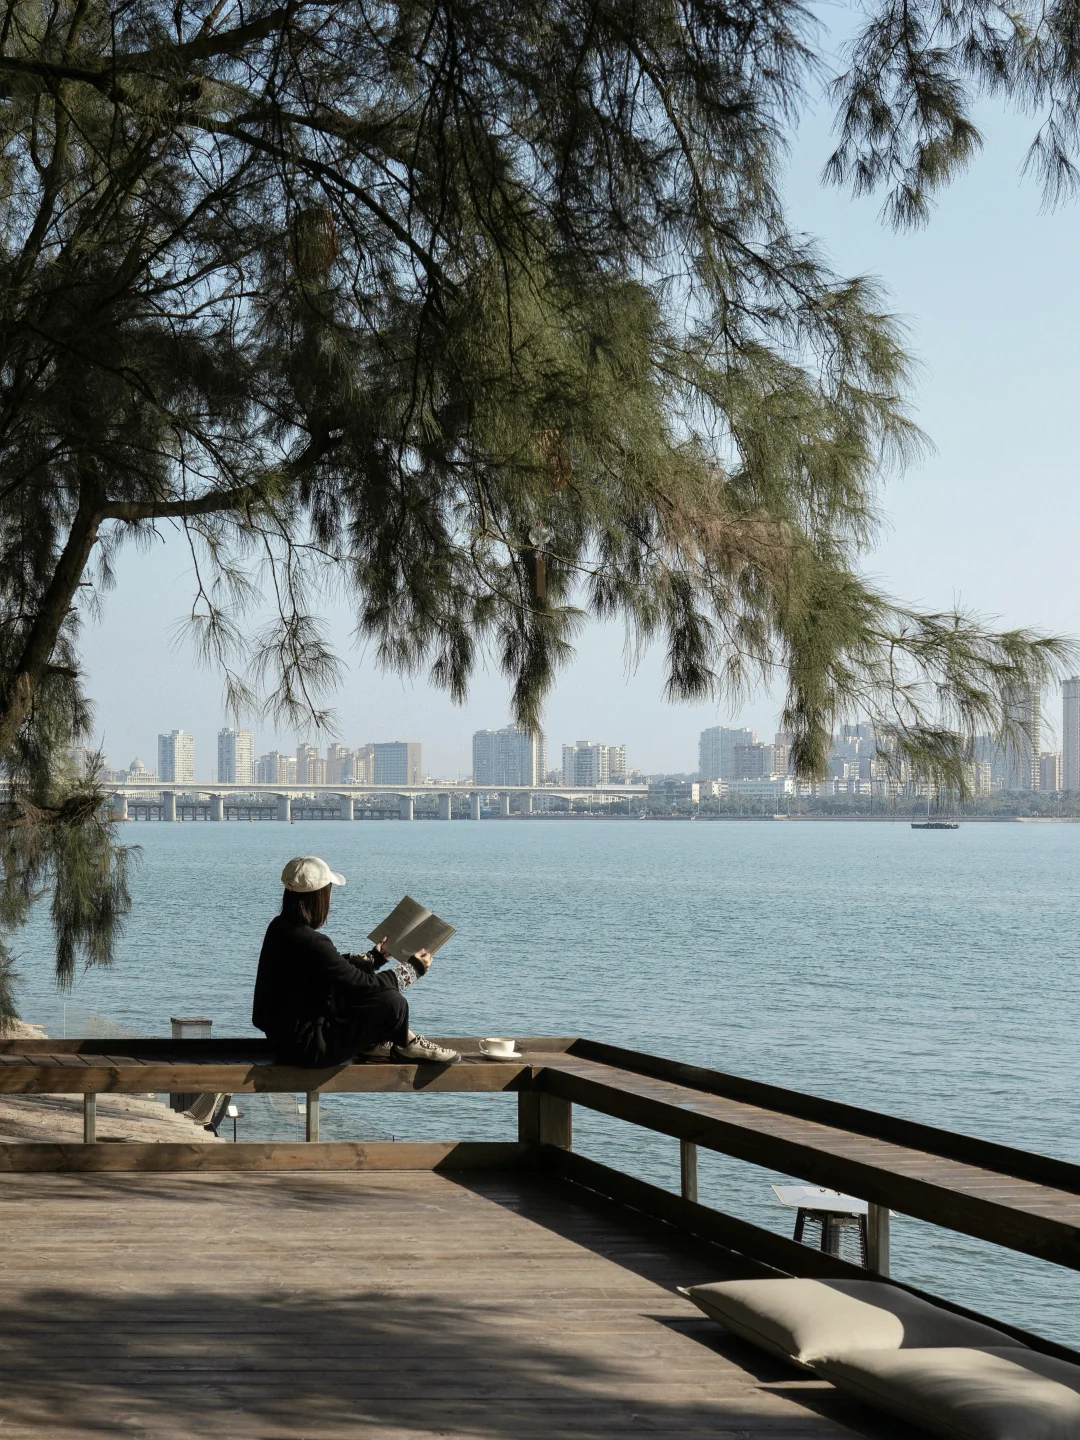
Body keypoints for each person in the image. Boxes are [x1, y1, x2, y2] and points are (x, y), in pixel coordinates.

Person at [252, 855, 460, 1066]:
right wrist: (413, 969)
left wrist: (374, 958)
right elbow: (365, 986)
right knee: (392, 1003)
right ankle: (407, 1045)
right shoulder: (312, 942)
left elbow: (334, 970)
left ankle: (385, 1043)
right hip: (309, 1048)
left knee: (359, 985)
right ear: (319, 897)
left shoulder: (280, 927)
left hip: (283, 1042)